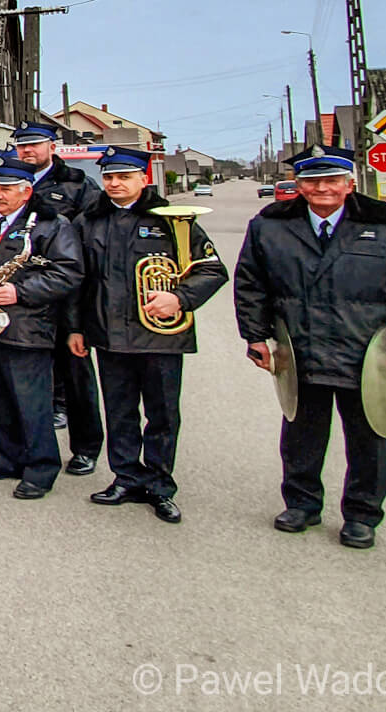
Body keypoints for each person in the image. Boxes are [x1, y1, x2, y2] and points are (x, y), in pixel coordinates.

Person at [235, 145, 386, 550]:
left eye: (331, 180)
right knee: (300, 436)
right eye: (312, 181)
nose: (321, 188)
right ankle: (302, 504)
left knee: (367, 438)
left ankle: (362, 515)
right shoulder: (270, 225)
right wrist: (255, 336)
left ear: (350, 183)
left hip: (366, 354)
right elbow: (250, 284)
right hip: (300, 350)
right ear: (299, 185)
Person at [72, 147, 229, 524]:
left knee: (162, 416)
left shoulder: (173, 219)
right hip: (108, 335)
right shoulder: (88, 220)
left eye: (124, 177)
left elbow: (212, 269)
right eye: (109, 177)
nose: (115, 184)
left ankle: (160, 486)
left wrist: (179, 297)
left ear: (144, 178)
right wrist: (76, 327)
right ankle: (125, 477)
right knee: (120, 412)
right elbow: (77, 281)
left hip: (160, 338)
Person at [0, 155, 86, 499]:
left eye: (7, 189)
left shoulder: (51, 225)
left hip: (26, 326)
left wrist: (20, 291)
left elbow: (69, 273)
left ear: (27, 190)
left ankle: (40, 468)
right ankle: (7, 457)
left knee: (31, 403)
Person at [12, 121, 105, 475]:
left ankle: (85, 448)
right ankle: (24, 443)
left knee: (76, 374)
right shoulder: (10, 181)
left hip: (65, 293)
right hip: (20, 292)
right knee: (24, 374)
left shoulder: (79, 186)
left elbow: (91, 240)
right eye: (22, 146)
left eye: (34, 145)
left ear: (53, 146)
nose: (27, 151)